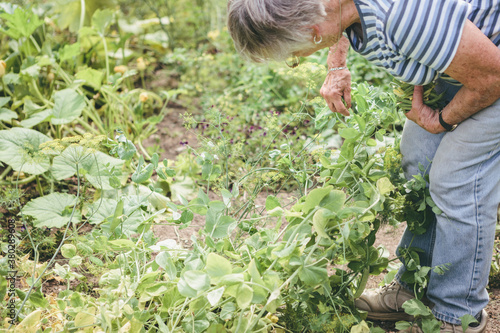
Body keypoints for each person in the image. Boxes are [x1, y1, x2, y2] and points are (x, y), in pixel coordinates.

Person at [227, 0, 500, 331]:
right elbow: (333, 17)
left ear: (312, 32)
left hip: (492, 72)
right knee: (418, 163)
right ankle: (413, 287)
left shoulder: (402, 19)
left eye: (294, 57)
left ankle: (458, 314)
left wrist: (442, 119)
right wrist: (336, 61)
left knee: (455, 180)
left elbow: (491, 77)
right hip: (455, 62)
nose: (297, 60)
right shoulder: (331, 10)